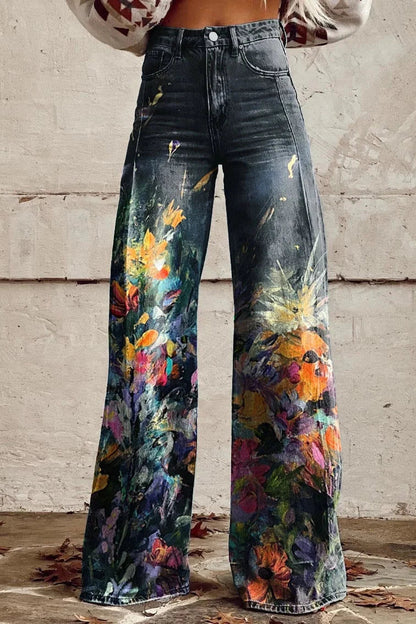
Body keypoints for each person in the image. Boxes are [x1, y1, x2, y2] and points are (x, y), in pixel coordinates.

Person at [66, 0, 372, 615]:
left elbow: (350, 7)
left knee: (287, 336)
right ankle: (137, 569)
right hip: (169, 81)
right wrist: (143, 21)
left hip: (262, 78)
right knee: (147, 336)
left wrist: (275, 24)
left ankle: (290, 574)